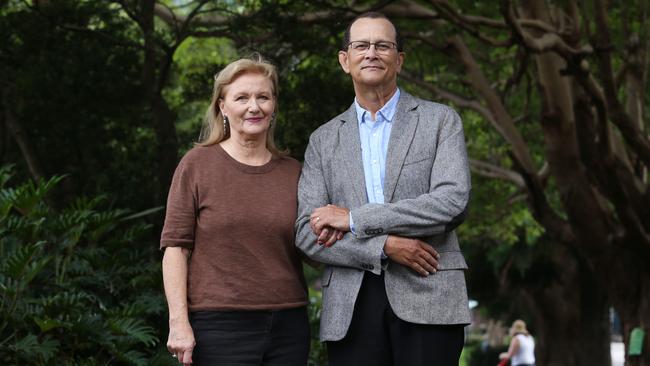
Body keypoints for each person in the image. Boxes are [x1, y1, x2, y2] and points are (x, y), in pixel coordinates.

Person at [295, 11, 471, 366]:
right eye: (361, 45)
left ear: (399, 59)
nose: (371, 53)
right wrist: (385, 247)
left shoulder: (440, 121)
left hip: (430, 292)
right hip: (351, 303)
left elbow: (452, 202)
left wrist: (355, 219)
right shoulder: (323, 140)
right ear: (345, 60)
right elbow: (306, 234)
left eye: (383, 45)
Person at [161, 55, 309, 366]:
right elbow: (175, 248)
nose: (254, 107)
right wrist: (178, 322)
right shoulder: (196, 165)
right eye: (242, 97)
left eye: (263, 97)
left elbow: (311, 244)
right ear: (222, 107)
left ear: (274, 106)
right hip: (218, 326)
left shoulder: (295, 171)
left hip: (288, 325)